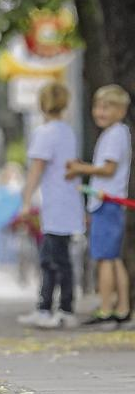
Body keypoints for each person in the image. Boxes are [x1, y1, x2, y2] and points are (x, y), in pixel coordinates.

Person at [16, 83, 84, 329]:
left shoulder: (44, 133)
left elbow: (36, 170)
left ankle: (63, 309)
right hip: (68, 202)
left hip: (55, 204)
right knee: (53, 257)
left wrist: (26, 200)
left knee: (55, 259)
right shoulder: (68, 131)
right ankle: (46, 307)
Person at [66, 84, 132, 326]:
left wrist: (79, 168)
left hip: (108, 202)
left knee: (104, 257)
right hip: (108, 203)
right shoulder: (117, 133)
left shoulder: (115, 134)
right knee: (114, 259)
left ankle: (106, 308)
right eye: (97, 107)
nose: (99, 112)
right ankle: (122, 307)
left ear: (121, 110)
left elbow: (108, 168)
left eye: (106, 107)